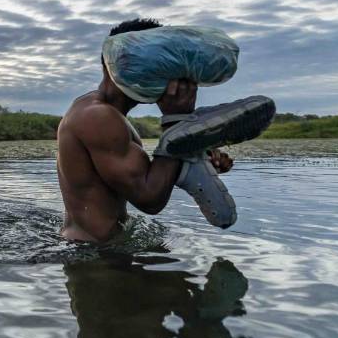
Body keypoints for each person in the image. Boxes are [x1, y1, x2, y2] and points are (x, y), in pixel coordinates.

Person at [56, 18, 232, 243]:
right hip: (95, 258)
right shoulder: (97, 116)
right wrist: (176, 121)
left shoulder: (108, 114)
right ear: (115, 63)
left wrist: (193, 155)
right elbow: (150, 198)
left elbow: (147, 176)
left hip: (105, 248)